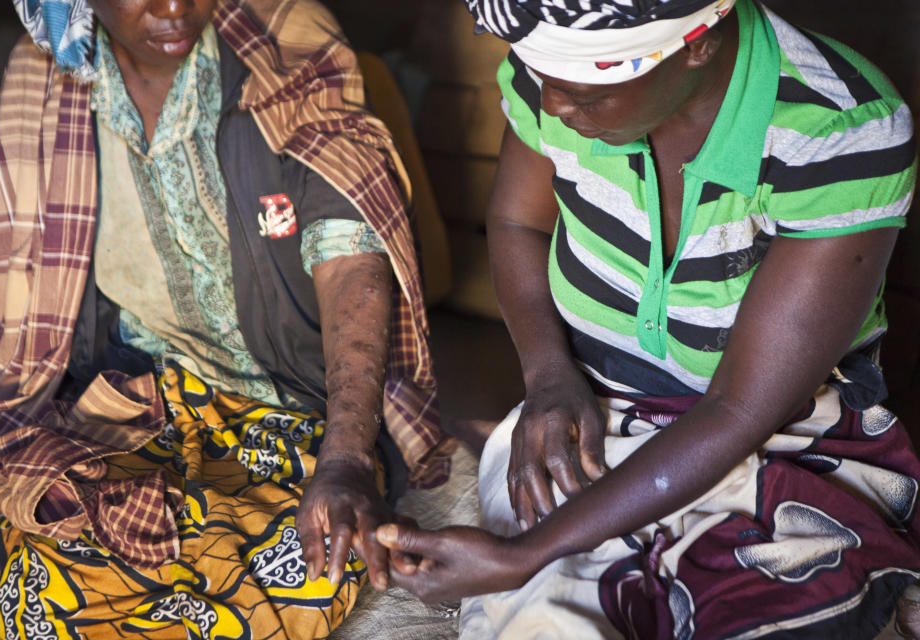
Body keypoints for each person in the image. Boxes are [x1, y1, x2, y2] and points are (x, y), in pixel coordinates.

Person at [375, 0, 920, 637]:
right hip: (587, 402)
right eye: (540, 76)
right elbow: (518, 220)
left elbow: (741, 409)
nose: (551, 105)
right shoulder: (553, 79)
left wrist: (525, 554)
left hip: (792, 428)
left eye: (581, 89)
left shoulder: (838, 128)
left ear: (697, 44)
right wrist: (549, 378)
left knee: (784, 601)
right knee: (548, 617)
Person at [0, 0, 454, 637]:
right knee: (33, 565)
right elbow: (19, 288)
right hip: (133, 401)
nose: (174, 7)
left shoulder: (284, 37)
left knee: (306, 563)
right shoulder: (50, 75)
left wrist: (347, 455)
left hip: (288, 409)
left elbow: (347, 243)